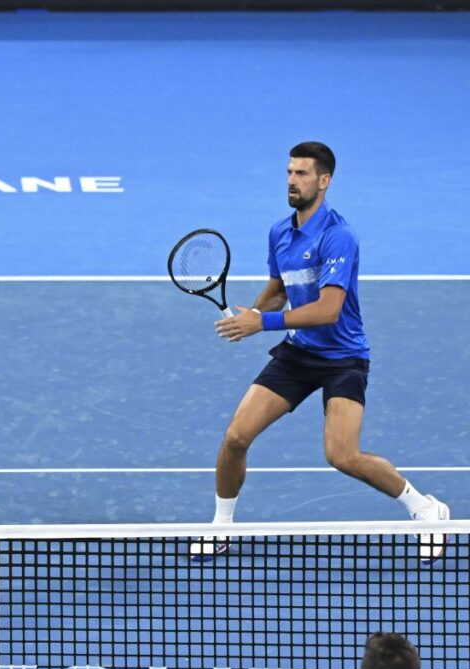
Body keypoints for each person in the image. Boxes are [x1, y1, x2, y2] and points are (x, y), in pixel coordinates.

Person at [189, 142, 449, 563]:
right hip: (298, 355)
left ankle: (426, 508)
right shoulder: (280, 232)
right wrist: (254, 313)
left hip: (343, 357)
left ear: (324, 181)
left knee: (341, 454)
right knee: (236, 437)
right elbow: (279, 291)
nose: (292, 181)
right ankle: (221, 527)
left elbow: (328, 310)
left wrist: (265, 323)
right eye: (290, 172)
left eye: (302, 174)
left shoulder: (338, 236)